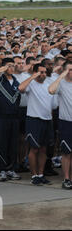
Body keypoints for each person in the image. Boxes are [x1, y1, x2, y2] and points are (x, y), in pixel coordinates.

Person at [19, 64, 55, 186]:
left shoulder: (48, 84)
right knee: (34, 148)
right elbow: (20, 88)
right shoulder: (31, 84)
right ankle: (34, 175)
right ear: (35, 73)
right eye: (40, 72)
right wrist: (32, 77)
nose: (43, 74)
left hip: (47, 119)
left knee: (44, 149)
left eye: (45, 72)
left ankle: (41, 174)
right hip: (34, 119)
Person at [48, 61, 72, 189]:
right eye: (69, 70)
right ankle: (66, 178)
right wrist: (62, 76)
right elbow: (51, 90)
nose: (71, 72)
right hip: (66, 122)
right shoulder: (61, 83)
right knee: (66, 152)